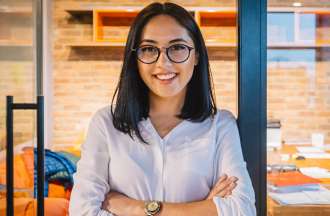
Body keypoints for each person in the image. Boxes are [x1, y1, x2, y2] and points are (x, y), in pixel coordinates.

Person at [69, 2, 256, 215]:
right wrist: (205, 208)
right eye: (149, 49)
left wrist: (134, 207)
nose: (163, 63)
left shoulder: (220, 124)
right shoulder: (105, 123)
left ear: (196, 56)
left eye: (177, 47)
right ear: (135, 59)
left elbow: (242, 210)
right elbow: (82, 211)